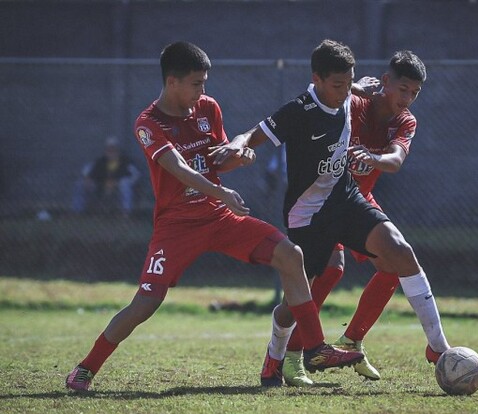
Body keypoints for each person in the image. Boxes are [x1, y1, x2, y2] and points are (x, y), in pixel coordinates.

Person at [65, 41, 362, 392]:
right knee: (145, 302)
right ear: (172, 81)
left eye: (205, 83)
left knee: (290, 255)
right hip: (177, 225)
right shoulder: (148, 122)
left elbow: (220, 160)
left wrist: (243, 155)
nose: (202, 91)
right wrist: (220, 191)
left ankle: (314, 348)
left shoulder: (208, 108)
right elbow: (175, 167)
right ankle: (85, 368)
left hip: (219, 216)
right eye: (196, 83)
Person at [211, 40, 450, 387]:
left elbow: (392, 154)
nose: (343, 92)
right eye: (337, 85)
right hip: (308, 213)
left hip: (348, 196)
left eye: (414, 92)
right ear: (318, 80)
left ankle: (438, 348)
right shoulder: (303, 109)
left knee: (400, 251)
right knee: (303, 294)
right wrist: (238, 143)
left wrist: (372, 152)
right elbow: (255, 133)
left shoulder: (359, 99)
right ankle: (278, 356)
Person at [72, 136, 140, 216]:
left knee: (124, 184)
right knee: (79, 184)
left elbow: (136, 175)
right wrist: (87, 179)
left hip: (118, 187)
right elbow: (87, 170)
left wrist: (118, 182)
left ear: (118, 150)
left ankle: (126, 213)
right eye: (109, 149)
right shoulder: (101, 161)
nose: (111, 151)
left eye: (114, 149)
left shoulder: (125, 161)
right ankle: (77, 212)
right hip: (100, 186)